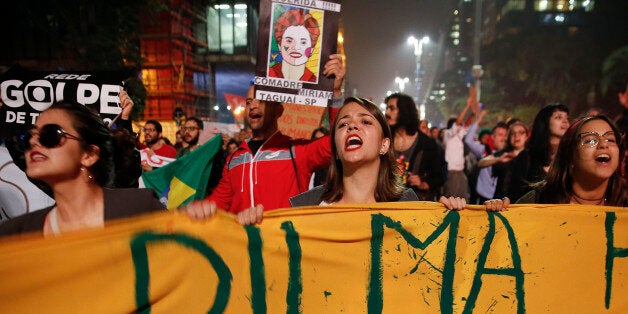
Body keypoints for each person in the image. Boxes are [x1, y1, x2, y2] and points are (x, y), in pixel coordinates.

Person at [185, 54, 345, 216]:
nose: (252, 106)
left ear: (278, 110)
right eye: (248, 102)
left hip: (284, 240)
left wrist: (336, 94)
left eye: (261, 100)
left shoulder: (297, 152)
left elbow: (337, 142)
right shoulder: (234, 159)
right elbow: (219, 202)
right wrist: (198, 209)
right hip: (245, 240)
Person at [0, 100, 165, 237]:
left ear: (89, 155)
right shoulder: (18, 234)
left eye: (50, 135)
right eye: (29, 136)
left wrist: (190, 220)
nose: (34, 142)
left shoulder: (139, 209)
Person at [289, 97, 419, 207]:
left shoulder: (409, 208)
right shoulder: (306, 209)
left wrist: (439, 227)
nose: (352, 126)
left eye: (366, 122)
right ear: (335, 148)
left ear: (384, 145)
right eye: (343, 124)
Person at [516, 115, 628, 206]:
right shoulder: (538, 201)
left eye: (610, 139)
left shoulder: (624, 203)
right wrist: (501, 210)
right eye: (590, 141)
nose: (604, 144)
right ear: (570, 156)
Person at [385, 93, 445, 201]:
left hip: (416, 206)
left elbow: (439, 177)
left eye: (391, 108)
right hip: (387, 202)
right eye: (387, 108)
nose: (387, 112)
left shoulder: (427, 144)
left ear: (404, 111)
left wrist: (423, 183)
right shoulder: (384, 140)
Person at [509, 103, 569, 201]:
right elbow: (514, 195)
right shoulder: (527, 157)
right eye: (558, 117)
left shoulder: (571, 157)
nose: (565, 121)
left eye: (567, 118)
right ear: (545, 122)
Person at [478, 121, 529, 199]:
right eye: (512, 133)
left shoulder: (532, 155)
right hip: (500, 200)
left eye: (521, 132)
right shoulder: (503, 153)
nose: (516, 136)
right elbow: (481, 163)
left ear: (526, 136)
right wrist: (498, 159)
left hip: (522, 201)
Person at [268, 8, 320, 82]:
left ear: (311, 49)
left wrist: (336, 91)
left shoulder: (315, 82)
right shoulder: (268, 74)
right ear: (279, 45)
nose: (296, 47)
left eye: (303, 42)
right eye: (289, 41)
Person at [443, 100, 473, 199]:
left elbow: (467, 125)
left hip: (461, 171)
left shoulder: (459, 135)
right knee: (451, 198)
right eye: (458, 125)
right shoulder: (448, 134)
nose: (461, 126)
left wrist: (473, 113)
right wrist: (467, 106)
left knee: (463, 198)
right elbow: (459, 121)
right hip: (452, 171)